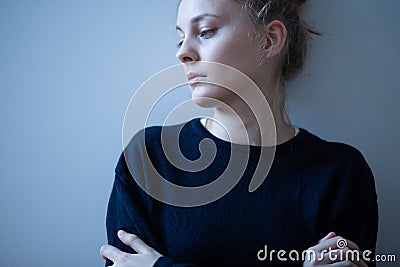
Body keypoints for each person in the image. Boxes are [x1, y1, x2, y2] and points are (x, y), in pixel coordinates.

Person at [100, 0, 378, 266]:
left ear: (269, 40)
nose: (182, 52)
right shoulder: (149, 158)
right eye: (180, 38)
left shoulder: (339, 174)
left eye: (205, 32)